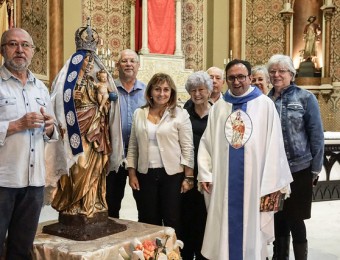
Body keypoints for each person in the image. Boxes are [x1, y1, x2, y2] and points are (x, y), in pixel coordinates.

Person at [197, 59, 293, 260]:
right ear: (226, 81)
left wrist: (272, 186)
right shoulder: (219, 107)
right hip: (224, 182)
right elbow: (207, 143)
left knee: (252, 235)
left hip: (255, 184)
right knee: (223, 232)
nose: (237, 81)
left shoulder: (265, 105)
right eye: (231, 77)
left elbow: (275, 147)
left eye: (241, 77)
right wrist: (205, 173)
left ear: (250, 78)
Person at [0, 28, 58, 259]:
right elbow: (18, 125)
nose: (20, 50)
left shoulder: (41, 88)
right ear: (3, 50)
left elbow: (51, 132)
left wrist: (50, 127)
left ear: (33, 51)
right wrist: (17, 125)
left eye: (25, 45)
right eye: (13, 44)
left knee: (22, 249)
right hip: (4, 181)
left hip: (34, 183)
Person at [267, 54, 324, 260]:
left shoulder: (305, 98)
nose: (276, 75)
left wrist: (315, 170)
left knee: (296, 218)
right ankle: (279, 256)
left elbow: (316, 135)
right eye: (272, 71)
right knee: (278, 217)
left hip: (299, 168)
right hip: (273, 170)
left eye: (281, 71)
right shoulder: (265, 101)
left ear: (291, 74)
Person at [127, 72, 194, 237]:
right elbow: (133, 146)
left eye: (166, 89)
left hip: (172, 175)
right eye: (157, 89)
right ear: (150, 91)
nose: (162, 93)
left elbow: (187, 147)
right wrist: (131, 173)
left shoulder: (180, 114)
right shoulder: (139, 114)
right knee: (147, 220)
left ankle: (173, 255)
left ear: (171, 92)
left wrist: (188, 177)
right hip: (145, 174)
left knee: (172, 220)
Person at [105, 49, 146, 218]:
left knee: (145, 205)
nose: (128, 64)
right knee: (111, 204)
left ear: (138, 65)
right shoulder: (108, 90)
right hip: (114, 155)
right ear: (117, 65)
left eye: (132, 61)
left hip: (140, 157)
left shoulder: (147, 91)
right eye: (124, 61)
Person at [181, 71, 212, 260]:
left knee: (205, 219)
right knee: (186, 218)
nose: (197, 94)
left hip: (208, 175)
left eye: (201, 89)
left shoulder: (218, 113)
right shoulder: (184, 113)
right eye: (193, 90)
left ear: (209, 91)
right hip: (187, 173)